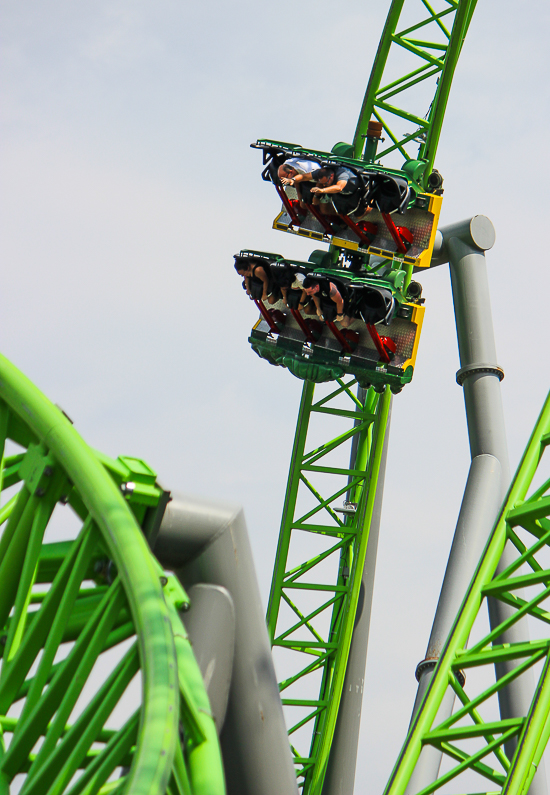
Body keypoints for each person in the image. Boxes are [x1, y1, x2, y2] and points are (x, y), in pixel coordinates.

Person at [282, 166, 363, 216]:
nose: (324, 184)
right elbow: (304, 177)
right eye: (323, 183)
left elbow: (339, 187)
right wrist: (292, 179)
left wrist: (322, 190)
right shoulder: (321, 173)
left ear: (331, 176)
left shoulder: (341, 174)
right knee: (334, 210)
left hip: (356, 192)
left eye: (326, 182)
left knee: (358, 215)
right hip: (339, 194)